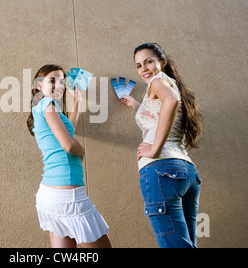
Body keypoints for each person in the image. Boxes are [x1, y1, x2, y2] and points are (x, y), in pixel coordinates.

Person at [120, 43, 203, 248]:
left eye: (149, 61)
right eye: (139, 65)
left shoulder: (158, 82)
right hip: (186, 173)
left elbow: (171, 101)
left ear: (163, 62)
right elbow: (158, 115)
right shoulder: (167, 83)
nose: (144, 68)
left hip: (161, 171)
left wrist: (154, 149)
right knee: (185, 244)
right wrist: (135, 104)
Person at [27, 64, 111, 248]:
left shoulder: (42, 107)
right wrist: (82, 152)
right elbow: (69, 144)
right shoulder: (48, 104)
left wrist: (77, 102)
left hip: (50, 195)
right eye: (52, 81)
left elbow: (67, 130)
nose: (59, 86)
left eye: (62, 82)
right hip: (67, 196)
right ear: (39, 85)